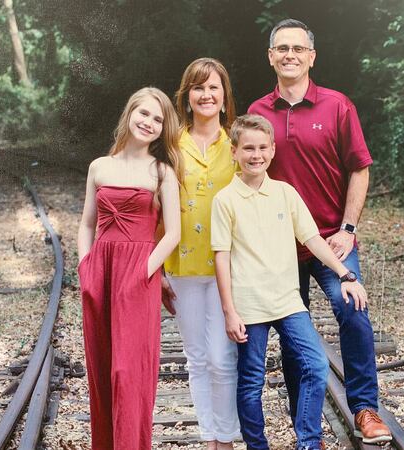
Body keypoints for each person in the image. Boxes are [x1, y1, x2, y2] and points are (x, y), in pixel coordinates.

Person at [248, 18, 392, 444]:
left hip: (331, 238)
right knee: (294, 336)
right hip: (279, 247)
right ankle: (304, 425)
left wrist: (348, 228)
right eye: (281, 48)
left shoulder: (337, 105)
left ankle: (365, 409)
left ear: (312, 56)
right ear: (270, 56)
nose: (289, 55)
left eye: (298, 48)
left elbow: (359, 169)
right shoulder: (257, 113)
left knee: (352, 311)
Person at [211, 114, 368, 450]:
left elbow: (313, 240)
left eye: (262, 148)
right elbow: (221, 257)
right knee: (251, 380)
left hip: (287, 301)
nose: (256, 155)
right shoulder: (225, 201)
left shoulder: (285, 193)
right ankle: (257, 445)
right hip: (249, 306)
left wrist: (346, 275)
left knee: (315, 364)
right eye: (248, 148)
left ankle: (308, 442)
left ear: (272, 150)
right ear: (234, 152)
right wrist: (229, 311)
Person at [77, 87, 183, 450]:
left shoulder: (162, 172)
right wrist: (85, 265)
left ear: (163, 129)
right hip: (100, 273)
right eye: (144, 114)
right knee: (103, 371)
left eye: (158, 119)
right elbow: (87, 224)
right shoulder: (99, 167)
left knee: (128, 372)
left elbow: (173, 233)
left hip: (139, 275)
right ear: (129, 114)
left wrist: (145, 271)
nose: (149, 123)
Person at [161, 58, 240, 449]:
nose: (206, 95)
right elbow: (155, 206)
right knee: (196, 359)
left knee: (222, 359)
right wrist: (157, 267)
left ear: (225, 97)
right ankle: (211, 438)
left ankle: (226, 439)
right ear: (187, 97)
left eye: (213, 87)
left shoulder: (240, 144)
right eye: (198, 88)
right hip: (183, 265)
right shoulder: (171, 146)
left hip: (231, 267)